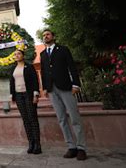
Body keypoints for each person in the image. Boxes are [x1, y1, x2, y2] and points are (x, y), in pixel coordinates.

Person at [40, 29, 87, 160]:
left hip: (66, 87)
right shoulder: (43, 54)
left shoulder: (63, 49)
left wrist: (76, 84)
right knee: (61, 119)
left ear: (53, 36)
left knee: (74, 117)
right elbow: (43, 72)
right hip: (51, 89)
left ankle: (81, 148)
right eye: (43, 35)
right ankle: (71, 147)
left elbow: (72, 67)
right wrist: (44, 88)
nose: (45, 36)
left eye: (48, 34)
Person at [9, 49, 42, 154]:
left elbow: (35, 80)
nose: (16, 55)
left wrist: (35, 94)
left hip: (28, 94)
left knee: (32, 118)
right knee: (25, 119)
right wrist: (12, 95)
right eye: (15, 54)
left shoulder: (29, 66)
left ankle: (37, 144)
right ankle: (31, 143)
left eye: (18, 53)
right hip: (18, 96)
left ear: (23, 55)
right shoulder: (13, 68)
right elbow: (11, 82)